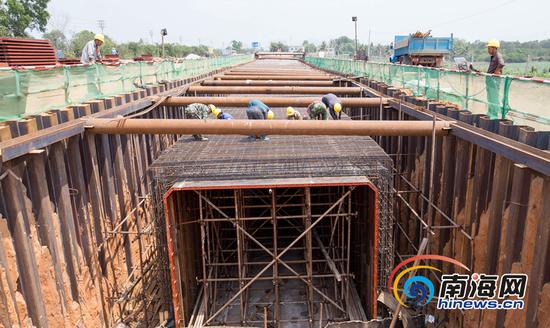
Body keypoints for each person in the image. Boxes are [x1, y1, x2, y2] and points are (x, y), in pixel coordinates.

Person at [486, 39, 505, 119]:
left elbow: (502, 63)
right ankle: (491, 113)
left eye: (489, 48)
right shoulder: (493, 56)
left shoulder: (498, 55)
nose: (488, 50)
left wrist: (497, 71)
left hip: (494, 80)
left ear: (494, 48)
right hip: (490, 80)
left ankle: (494, 115)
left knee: (493, 97)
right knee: (490, 97)